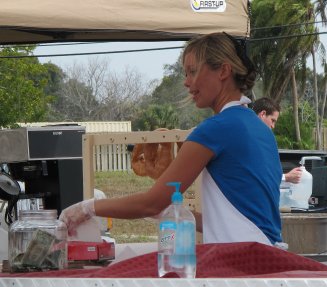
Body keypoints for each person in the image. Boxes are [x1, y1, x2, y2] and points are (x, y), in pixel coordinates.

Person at [60, 32, 283, 247]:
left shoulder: (216, 128)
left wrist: (88, 207)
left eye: (192, 72)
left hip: (241, 263)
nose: (187, 82)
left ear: (223, 71)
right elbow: (240, 223)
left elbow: (151, 203)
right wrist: (177, 213)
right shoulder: (259, 128)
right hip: (268, 255)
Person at [250, 97, 302, 184]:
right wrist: (286, 177)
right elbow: (259, 175)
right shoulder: (253, 139)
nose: (273, 126)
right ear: (263, 114)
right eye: (272, 120)